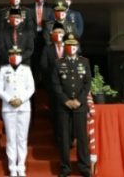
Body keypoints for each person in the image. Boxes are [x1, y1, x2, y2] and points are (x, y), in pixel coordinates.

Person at [52, 35, 91, 177]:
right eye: (68, 44)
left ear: (77, 46)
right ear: (65, 46)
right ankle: (65, 168)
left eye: (74, 44)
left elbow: (87, 83)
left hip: (80, 105)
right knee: (64, 138)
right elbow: (55, 84)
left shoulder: (84, 62)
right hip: (64, 106)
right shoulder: (58, 63)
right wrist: (66, 100)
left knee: (82, 137)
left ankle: (84, 167)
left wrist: (79, 100)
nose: (72, 47)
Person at [0, 45, 35, 177]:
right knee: (11, 138)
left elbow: (31, 88)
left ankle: (21, 166)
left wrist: (21, 99)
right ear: (8, 56)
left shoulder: (26, 69)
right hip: (8, 108)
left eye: (17, 54)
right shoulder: (3, 70)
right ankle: (12, 167)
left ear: (21, 56)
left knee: (22, 138)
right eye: (12, 54)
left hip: (24, 107)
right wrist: (9, 99)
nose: (14, 56)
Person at [30, 0, 54, 83]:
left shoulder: (50, 9)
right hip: (33, 37)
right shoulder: (29, 9)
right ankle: (35, 81)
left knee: (45, 60)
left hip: (46, 38)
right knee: (34, 60)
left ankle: (45, 81)